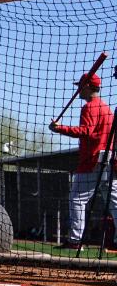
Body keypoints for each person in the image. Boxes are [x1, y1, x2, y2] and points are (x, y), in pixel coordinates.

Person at [49, 72, 115, 247]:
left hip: (93, 159)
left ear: (87, 86)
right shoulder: (107, 108)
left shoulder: (89, 107)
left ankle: (75, 240)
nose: (78, 89)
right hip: (109, 158)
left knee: (77, 199)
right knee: (114, 201)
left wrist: (59, 128)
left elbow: (86, 131)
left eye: (80, 86)